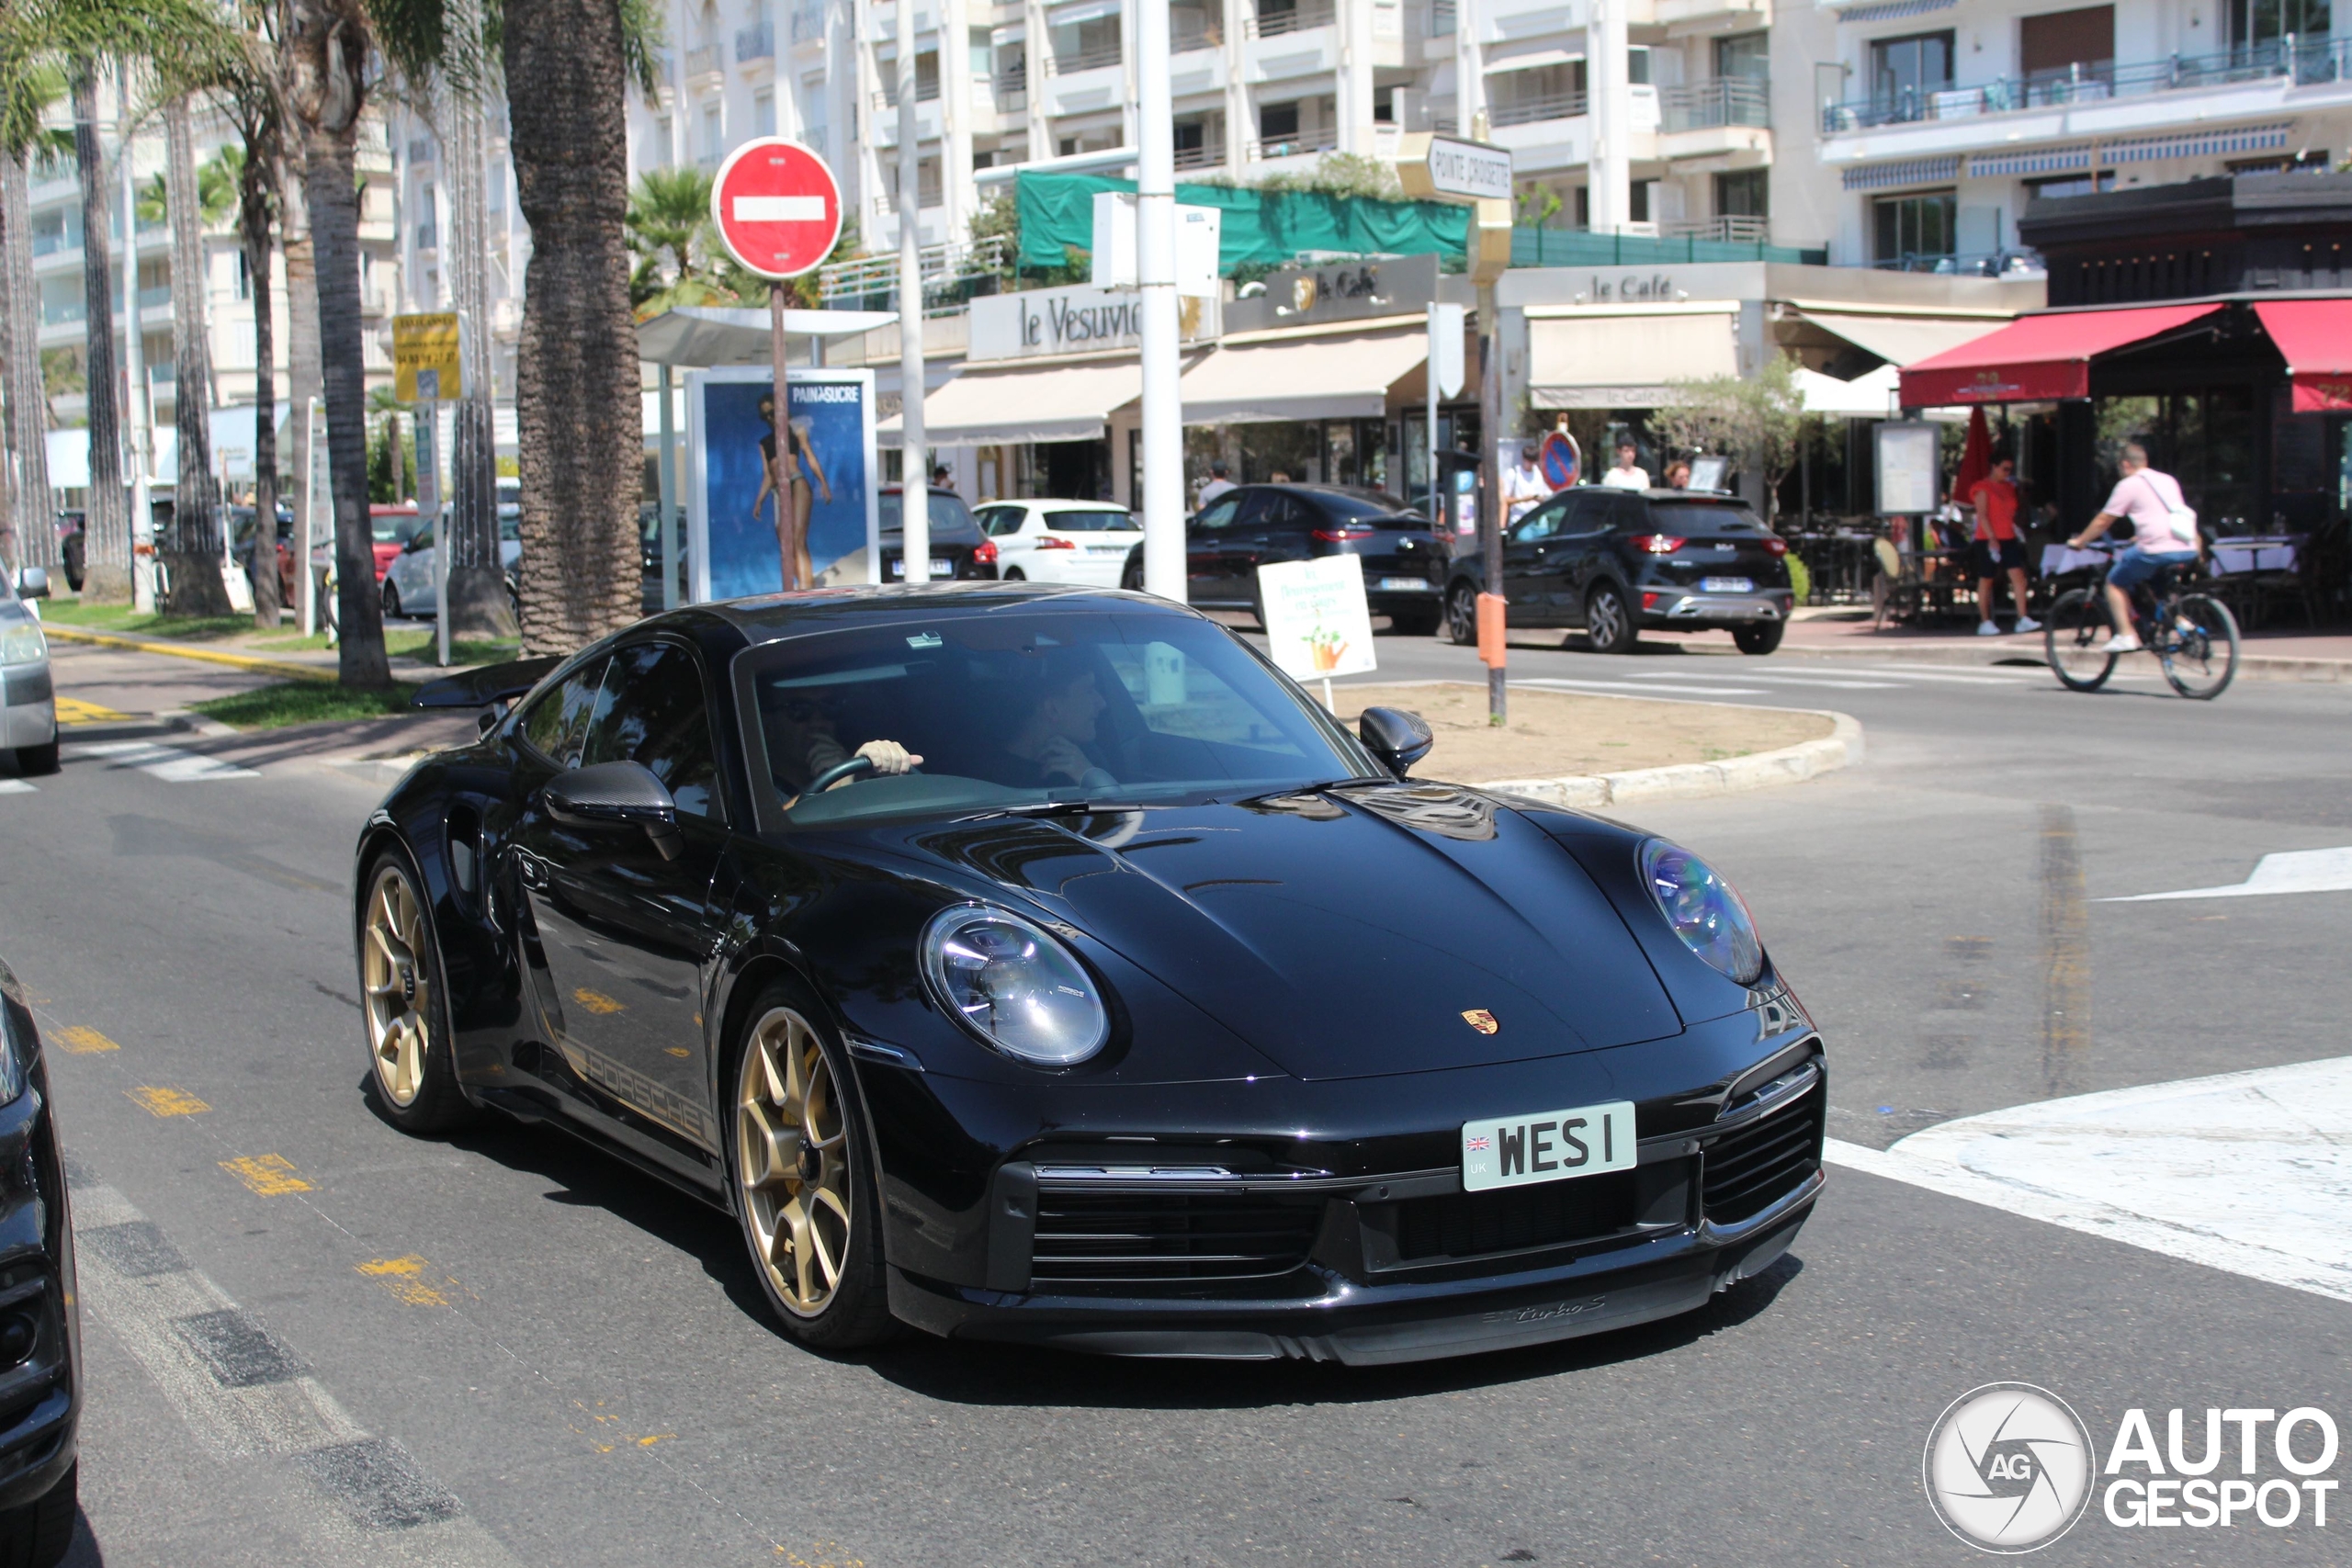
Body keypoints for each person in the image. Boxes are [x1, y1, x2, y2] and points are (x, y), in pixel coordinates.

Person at [2068, 442, 2199, 652]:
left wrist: (2081, 541)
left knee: (2113, 583)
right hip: (2186, 546)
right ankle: (2179, 620)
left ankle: (2126, 635)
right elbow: (2164, 515)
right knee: (2159, 585)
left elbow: (2104, 520)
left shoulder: (2129, 484)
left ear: (2126, 464)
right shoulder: (2168, 480)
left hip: (2155, 550)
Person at [768, 690, 920, 804]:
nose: (818, 722)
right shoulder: (752, 791)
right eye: (798, 709)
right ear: (768, 724)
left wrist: (860, 770)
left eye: (829, 706)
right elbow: (774, 829)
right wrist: (842, 778)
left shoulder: (860, 776)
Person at [751, 395, 831, 592]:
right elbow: (768, 475)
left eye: (772, 413)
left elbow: (809, 455)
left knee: (797, 538)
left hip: (797, 483)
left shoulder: (796, 431)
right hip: (778, 490)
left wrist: (823, 483)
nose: (770, 418)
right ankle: (804, 584)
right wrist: (759, 501)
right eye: (765, 416)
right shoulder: (765, 443)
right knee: (785, 544)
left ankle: (806, 588)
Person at [1001, 656, 1116, 790]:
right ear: (1052, 709)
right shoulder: (986, 779)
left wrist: (1088, 776)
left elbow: (1123, 809)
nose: (1102, 703)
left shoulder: (1088, 759)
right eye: (1089, 691)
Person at [1969, 454, 2040, 637]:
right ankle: (1985, 621)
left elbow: (2012, 512)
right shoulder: (1982, 488)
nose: (2007, 473)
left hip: (2008, 536)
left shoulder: (2009, 487)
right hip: (1987, 538)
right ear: (1994, 466)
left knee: (2018, 576)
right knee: (1987, 578)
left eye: (2010, 469)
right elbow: (1982, 514)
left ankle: (2022, 617)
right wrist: (1992, 537)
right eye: (2004, 469)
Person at [1502, 442, 1547, 523]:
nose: (1530, 464)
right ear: (1523, 458)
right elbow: (1505, 499)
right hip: (1519, 519)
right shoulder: (1513, 473)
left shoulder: (1538, 473)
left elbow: (1544, 495)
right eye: (1528, 461)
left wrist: (1538, 498)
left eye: (1533, 462)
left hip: (1537, 519)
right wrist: (1523, 499)